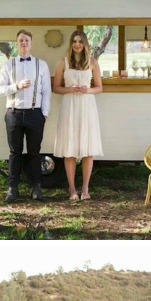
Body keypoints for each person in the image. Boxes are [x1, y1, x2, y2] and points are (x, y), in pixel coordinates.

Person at [0, 29, 52, 203]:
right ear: (16, 43)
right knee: (15, 153)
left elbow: (46, 91)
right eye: (21, 40)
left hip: (35, 114)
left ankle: (37, 187)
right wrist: (16, 86)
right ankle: (13, 188)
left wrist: (44, 113)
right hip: (14, 113)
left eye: (27, 40)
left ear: (31, 43)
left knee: (35, 152)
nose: (24, 43)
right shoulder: (8, 65)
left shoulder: (41, 65)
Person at [53, 30, 103, 201]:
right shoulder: (63, 63)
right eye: (74, 41)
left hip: (87, 106)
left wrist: (87, 90)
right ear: (71, 43)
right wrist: (70, 89)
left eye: (80, 41)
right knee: (70, 149)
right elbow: (56, 88)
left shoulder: (93, 63)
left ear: (85, 44)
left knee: (88, 148)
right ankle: (72, 188)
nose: (77, 44)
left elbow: (100, 87)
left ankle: (85, 188)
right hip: (69, 107)